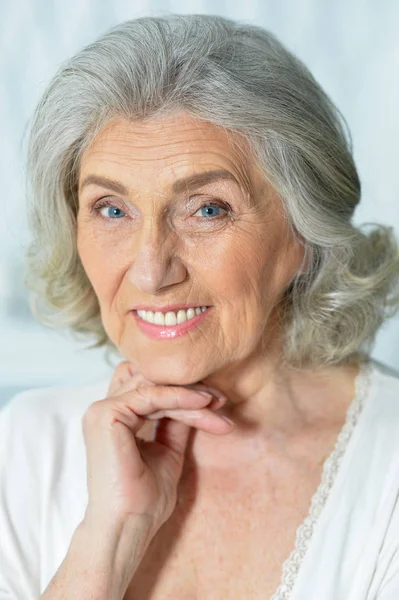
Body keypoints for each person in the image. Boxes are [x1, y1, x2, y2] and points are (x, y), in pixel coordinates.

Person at [1, 13, 399, 600]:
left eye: (206, 209)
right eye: (112, 209)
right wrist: (107, 539)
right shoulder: (24, 447)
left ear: (302, 233)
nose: (150, 270)